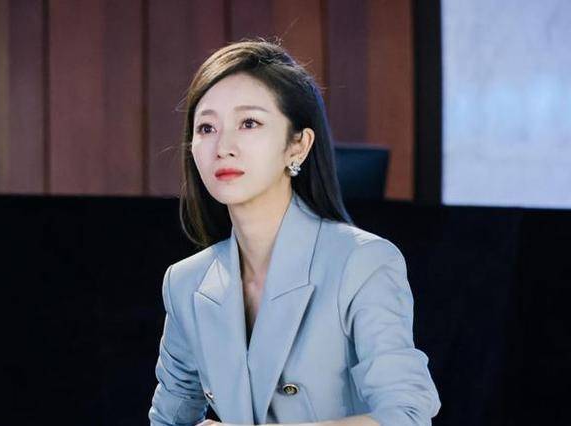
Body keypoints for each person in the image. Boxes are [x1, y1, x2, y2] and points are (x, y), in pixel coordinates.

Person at [148, 38, 441, 426]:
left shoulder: (362, 262)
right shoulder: (186, 282)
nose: (223, 146)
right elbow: (168, 419)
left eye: (249, 123)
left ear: (298, 146)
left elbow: (406, 415)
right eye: (206, 127)